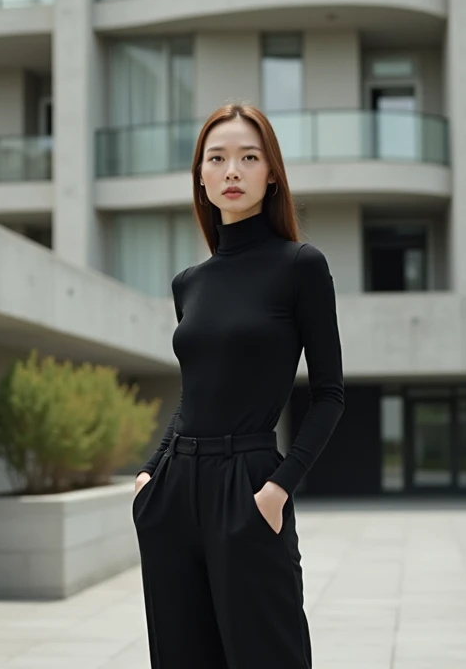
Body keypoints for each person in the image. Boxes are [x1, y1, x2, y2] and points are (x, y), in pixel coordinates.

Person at [131, 103, 345, 668]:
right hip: (173, 492)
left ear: (271, 173)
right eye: (217, 158)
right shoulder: (189, 283)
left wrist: (278, 489)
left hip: (248, 487)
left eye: (249, 157)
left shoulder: (300, 265)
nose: (232, 171)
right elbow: (195, 393)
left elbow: (329, 394)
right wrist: (151, 472)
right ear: (200, 176)